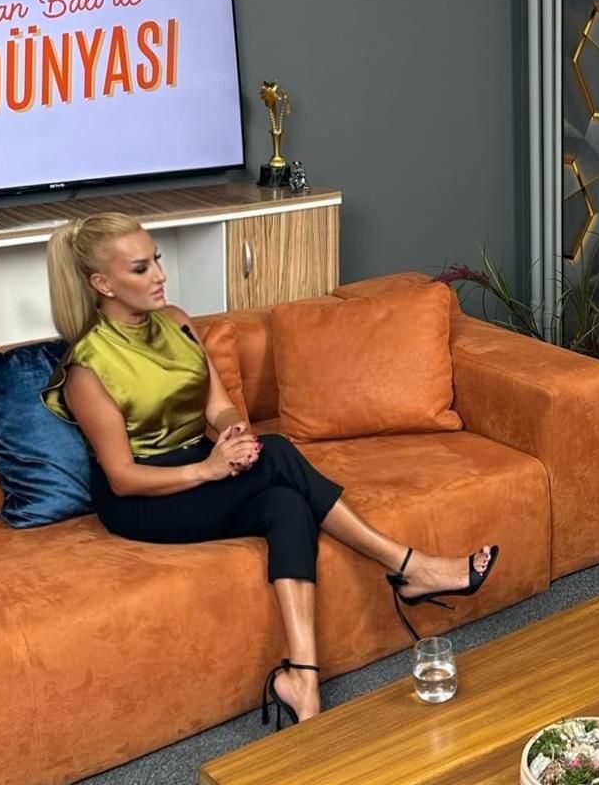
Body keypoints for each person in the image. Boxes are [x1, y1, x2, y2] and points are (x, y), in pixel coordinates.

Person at [41, 212, 498, 731]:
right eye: (142, 268)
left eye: (158, 260)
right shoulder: (87, 366)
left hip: (198, 462)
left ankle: (302, 680)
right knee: (278, 452)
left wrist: (234, 430)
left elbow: (217, 406)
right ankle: (408, 566)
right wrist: (211, 469)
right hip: (143, 498)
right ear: (103, 284)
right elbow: (122, 476)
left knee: (286, 503)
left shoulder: (176, 322)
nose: (160, 275)